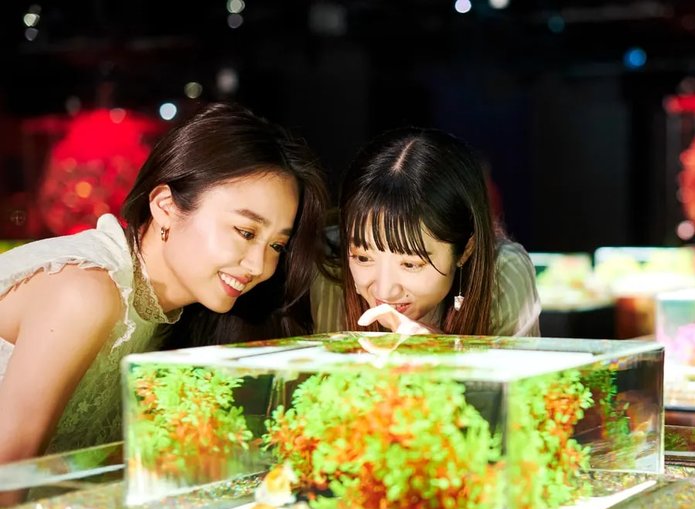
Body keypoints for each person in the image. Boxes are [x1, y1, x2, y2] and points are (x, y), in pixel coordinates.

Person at [0, 102, 330, 465]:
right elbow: (8, 475)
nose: (259, 265)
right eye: (245, 231)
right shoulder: (85, 291)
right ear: (165, 206)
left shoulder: (172, 316)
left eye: (276, 245)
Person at [312, 127, 539, 337]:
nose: (386, 290)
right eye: (363, 258)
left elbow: (520, 380)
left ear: (466, 250)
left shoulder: (503, 274)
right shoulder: (327, 263)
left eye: (411, 264)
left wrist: (436, 353)